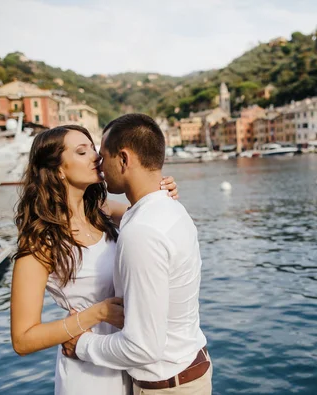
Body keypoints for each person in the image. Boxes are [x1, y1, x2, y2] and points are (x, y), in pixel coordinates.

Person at [10, 124, 179, 395]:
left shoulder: (103, 211)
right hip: (87, 371)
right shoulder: (41, 240)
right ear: (58, 169)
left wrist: (162, 190)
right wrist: (96, 313)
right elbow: (22, 339)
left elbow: (153, 218)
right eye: (82, 151)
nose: (96, 157)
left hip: (131, 359)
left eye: (93, 148)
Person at [62, 114, 211, 395]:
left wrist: (80, 344)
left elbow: (143, 347)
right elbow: (116, 212)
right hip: (188, 369)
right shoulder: (166, 209)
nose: (100, 165)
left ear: (124, 159)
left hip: (166, 387)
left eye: (103, 156)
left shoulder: (142, 230)